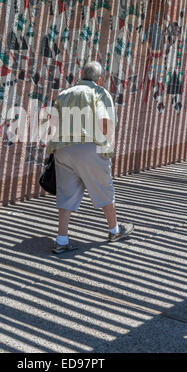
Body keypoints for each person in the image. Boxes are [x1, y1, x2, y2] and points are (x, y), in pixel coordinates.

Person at [47, 61, 134, 254]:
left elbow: (52, 122)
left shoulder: (64, 93)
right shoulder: (100, 93)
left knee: (66, 194)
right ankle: (114, 230)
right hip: (89, 147)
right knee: (104, 189)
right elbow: (106, 123)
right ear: (100, 79)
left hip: (62, 149)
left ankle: (61, 239)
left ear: (81, 74)